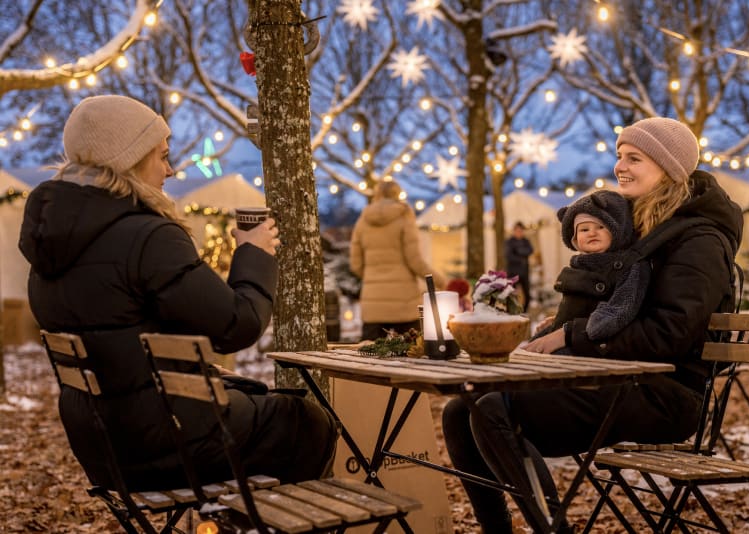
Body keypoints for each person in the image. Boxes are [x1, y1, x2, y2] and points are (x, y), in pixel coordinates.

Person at [18, 95, 337, 492]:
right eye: (162, 156)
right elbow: (239, 325)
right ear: (130, 160)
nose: (170, 169)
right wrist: (254, 253)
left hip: (103, 448)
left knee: (255, 400)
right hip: (172, 442)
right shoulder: (149, 237)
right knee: (305, 421)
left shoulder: (48, 248)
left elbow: (122, 334)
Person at [442, 117, 743, 532]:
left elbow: (669, 333)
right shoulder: (640, 225)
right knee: (461, 408)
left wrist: (573, 334)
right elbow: (620, 306)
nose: (620, 166)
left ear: (669, 167)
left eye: (634, 158)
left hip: (665, 394)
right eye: (619, 155)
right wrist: (567, 322)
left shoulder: (699, 240)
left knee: (492, 405)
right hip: (619, 376)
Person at [532, 189, 648, 342]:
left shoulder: (627, 265)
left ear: (617, 229)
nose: (592, 233)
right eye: (584, 229)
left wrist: (596, 325)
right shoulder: (578, 266)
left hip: (589, 340)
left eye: (600, 227)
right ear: (574, 239)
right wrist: (558, 321)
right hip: (568, 331)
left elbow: (622, 305)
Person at [349, 180, 445, 340]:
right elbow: (415, 262)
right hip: (404, 304)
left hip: (373, 305)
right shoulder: (404, 217)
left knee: (369, 356)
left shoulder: (362, 221)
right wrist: (441, 280)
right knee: (412, 354)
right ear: (397, 194)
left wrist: (372, 277)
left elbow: (355, 264)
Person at [504, 221, 534, 309]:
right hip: (513, 272)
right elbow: (508, 255)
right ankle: (513, 311)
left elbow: (530, 250)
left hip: (524, 272)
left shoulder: (526, 241)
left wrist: (518, 251)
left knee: (527, 294)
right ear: (514, 231)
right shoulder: (509, 241)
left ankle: (524, 311)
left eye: (520, 230)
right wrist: (522, 257)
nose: (519, 232)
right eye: (517, 230)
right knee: (512, 294)